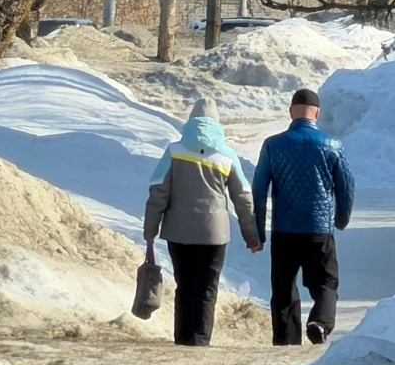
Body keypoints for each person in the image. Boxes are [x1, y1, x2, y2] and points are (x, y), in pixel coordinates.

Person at [144, 98, 263, 346]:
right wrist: (251, 235)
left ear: (190, 122)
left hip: (178, 232)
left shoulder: (174, 151)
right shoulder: (227, 156)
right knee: (207, 289)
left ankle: (183, 338)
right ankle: (200, 340)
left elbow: (159, 191)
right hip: (214, 234)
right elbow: (243, 198)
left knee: (184, 286)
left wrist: (150, 230)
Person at [252, 88, 355, 346]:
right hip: (319, 229)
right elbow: (346, 186)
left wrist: (258, 230)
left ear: (290, 112)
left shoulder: (273, 145)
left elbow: (259, 188)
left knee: (284, 289)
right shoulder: (332, 145)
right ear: (317, 113)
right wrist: (341, 219)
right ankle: (320, 321)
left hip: (284, 230)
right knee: (325, 283)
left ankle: (286, 344)